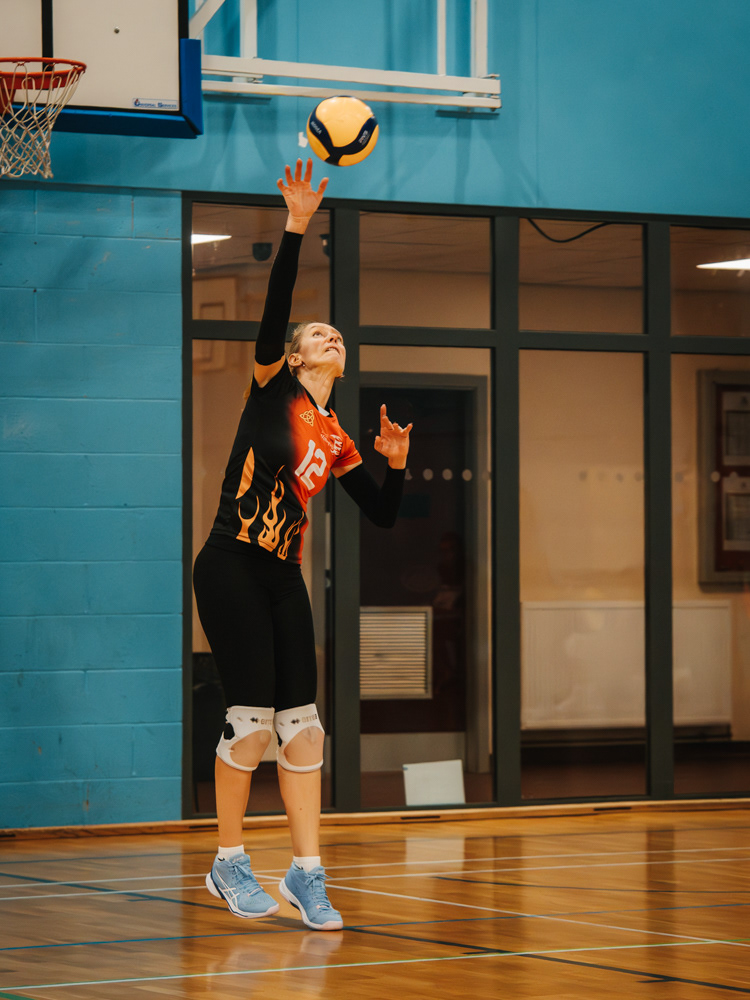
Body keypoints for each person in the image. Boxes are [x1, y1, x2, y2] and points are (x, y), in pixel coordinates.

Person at [193, 158, 412, 932]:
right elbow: (277, 307)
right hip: (230, 564)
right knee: (251, 722)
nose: (331, 336)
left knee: (305, 728)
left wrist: (395, 465)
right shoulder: (271, 388)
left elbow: (381, 515)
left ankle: (306, 871)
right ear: (295, 357)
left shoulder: (337, 434)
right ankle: (227, 862)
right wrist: (295, 227)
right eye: (319, 334)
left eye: (337, 334)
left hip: (283, 576)